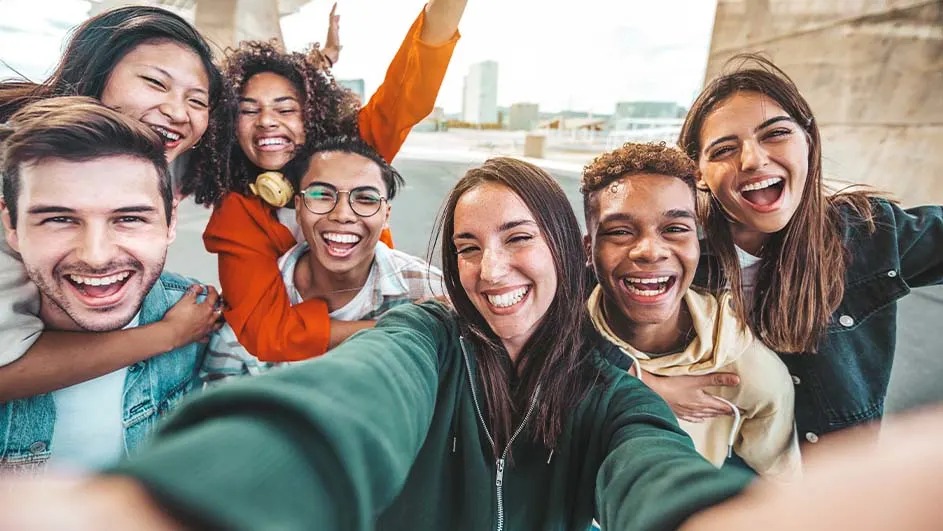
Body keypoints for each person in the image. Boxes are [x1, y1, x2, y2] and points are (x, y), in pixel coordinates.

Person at [0, 157, 754, 529]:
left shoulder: (609, 390)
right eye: (466, 246)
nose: (489, 271)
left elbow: (655, 472)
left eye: (517, 238)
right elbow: (345, 403)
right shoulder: (424, 336)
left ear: (568, 247)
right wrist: (182, 501)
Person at [651, 54, 943, 442]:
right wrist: (645, 385)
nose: (753, 160)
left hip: (837, 489)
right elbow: (571, 324)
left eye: (775, 133)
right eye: (723, 150)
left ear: (808, 140)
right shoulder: (672, 254)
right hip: (726, 486)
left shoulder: (869, 231)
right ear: (698, 175)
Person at [195, 0, 468, 363]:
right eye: (248, 110)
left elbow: (409, 93)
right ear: (230, 125)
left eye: (286, 109)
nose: (266, 122)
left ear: (312, 116)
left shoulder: (352, 156)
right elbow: (267, 333)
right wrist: (398, 325)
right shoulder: (236, 214)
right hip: (307, 362)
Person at [0, 6, 225, 402]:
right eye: (155, 82)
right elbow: (7, 368)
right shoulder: (18, 170)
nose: (177, 112)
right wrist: (169, 334)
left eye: (197, 100)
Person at [0, 97, 215, 472]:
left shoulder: (198, 312)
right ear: (11, 227)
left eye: (129, 218)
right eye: (58, 219)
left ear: (171, 221)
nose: (96, 256)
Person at [581, 142, 800, 480]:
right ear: (588, 249)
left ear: (697, 243)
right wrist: (641, 383)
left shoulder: (751, 375)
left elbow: (781, 487)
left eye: (675, 229)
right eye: (621, 232)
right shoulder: (552, 336)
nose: (651, 252)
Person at [202, 137, 444, 380]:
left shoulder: (433, 294)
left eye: (366, 199)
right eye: (321, 195)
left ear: (386, 215)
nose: (342, 215)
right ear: (298, 208)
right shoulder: (246, 321)